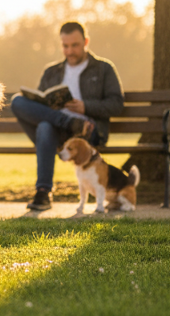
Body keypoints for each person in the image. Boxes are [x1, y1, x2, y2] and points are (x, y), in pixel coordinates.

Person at [10, 21, 124, 211]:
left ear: (86, 41)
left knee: (45, 127)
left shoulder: (103, 68)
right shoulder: (51, 71)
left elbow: (117, 104)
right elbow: (40, 108)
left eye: (75, 45)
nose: (70, 51)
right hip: (57, 132)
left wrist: (85, 107)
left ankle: (43, 191)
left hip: (87, 133)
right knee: (17, 102)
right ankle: (69, 122)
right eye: (65, 46)